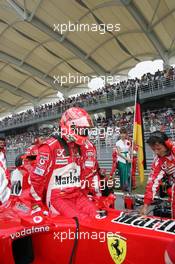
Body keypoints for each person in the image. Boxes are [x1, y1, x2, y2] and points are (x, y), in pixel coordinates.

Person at [29, 107, 98, 220]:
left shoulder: (81, 147)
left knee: (96, 216)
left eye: (84, 129)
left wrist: (87, 191)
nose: (84, 132)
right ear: (68, 126)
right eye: (80, 129)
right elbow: (37, 178)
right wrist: (37, 205)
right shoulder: (50, 147)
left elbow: (88, 172)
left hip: (77, 194)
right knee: (80, 221)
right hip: (58, 198)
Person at [141, 131, 175, 219]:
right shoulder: (158, 161)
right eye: (153, 149)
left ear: (166, 144)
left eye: (159, 148)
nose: (156, 152)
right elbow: (152, 183)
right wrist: (145, 205)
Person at [0, 136, 11, 205]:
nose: (2, 144)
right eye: (0, 143)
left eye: (3, 143)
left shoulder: (3, 151)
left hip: (4, 173)